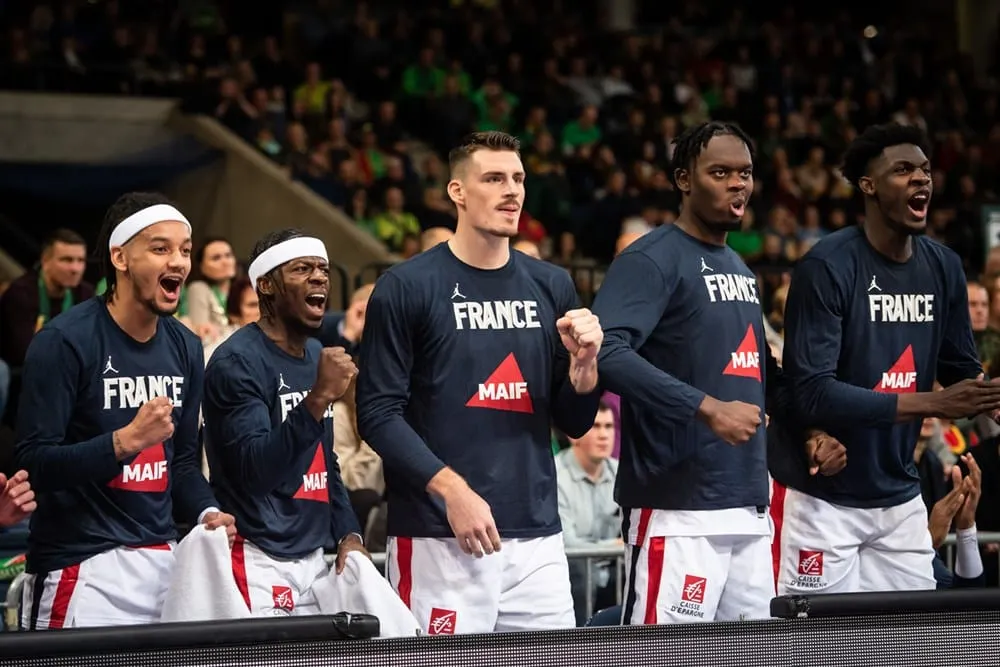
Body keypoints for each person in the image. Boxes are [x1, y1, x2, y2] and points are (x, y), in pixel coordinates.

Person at [356, 131, 604, 635]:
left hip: (536, 536)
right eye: (493, 178)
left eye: (518, 179)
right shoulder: (405, 286)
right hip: (437, 535)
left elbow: (575, 422)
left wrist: (585, 371)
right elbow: (378, 414)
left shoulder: (551, 284)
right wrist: (451, 490)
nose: (511, 191)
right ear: (457, 192)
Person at [770, 123, 1000, 595]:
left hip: (901, 498)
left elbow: (960, 368)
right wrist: (932, 403)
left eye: (926, 170)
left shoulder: (944, 266)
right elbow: (810, 391)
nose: (922, 179)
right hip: (826, 501)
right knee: (817, 651)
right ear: (868, 186)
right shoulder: (827, 266)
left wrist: (989, 394)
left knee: (911, 644)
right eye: (904, 170)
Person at [14, 192, 235, 630]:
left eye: (185, 250)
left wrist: (208, 511)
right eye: (160, 248)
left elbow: (184, 462)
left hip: (161, 559)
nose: (178, 261)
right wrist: (124, 442)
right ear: (120, 256)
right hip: (79, 564)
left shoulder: (186, 346)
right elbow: (33, 463)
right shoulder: (64, 341)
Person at [592, 121, 780, 624]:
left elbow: (756, 369)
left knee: (762, 658)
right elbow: (606, 351)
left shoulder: (741, 268)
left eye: (744, 173)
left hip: (747, 502)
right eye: (720, 172)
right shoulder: (651, 260)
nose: (737, 183)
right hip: (677, 507)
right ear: (684, 179)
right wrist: (708, 408)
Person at [202, 229, 368, 617]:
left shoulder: (314, 355)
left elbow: (325, 463)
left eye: (324, 270)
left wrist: (349, 531)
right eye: (302, 269)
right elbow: (255, 473)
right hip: (258, 556)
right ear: (267, 286)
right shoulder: (235, 362)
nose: (319, 278)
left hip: (314, 557)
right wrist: (318, 399)